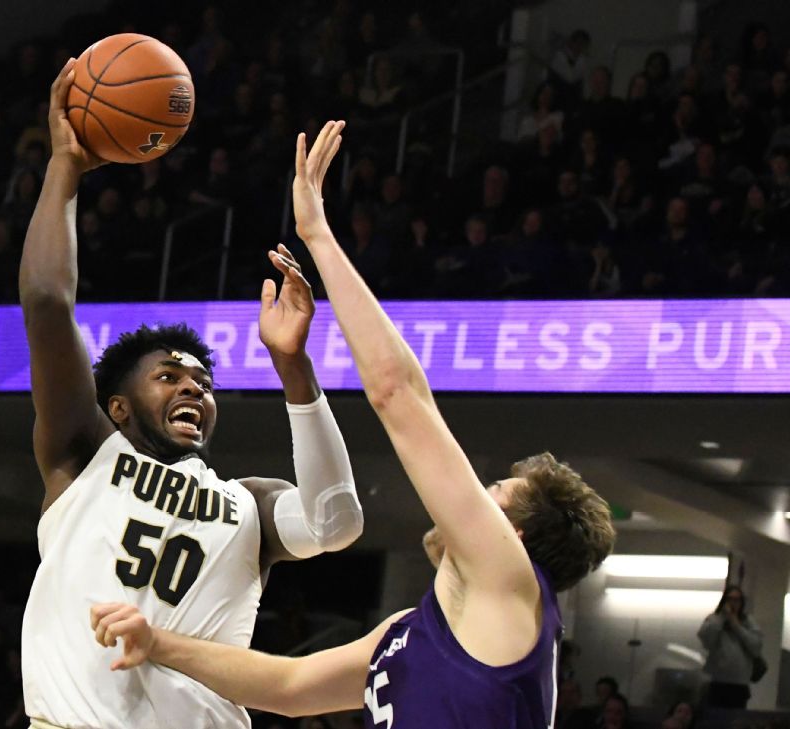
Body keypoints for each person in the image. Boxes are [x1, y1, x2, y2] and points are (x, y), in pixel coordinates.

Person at [90, 121, 616, 728]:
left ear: (515, 539)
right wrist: (159, 643)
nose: (470, 498)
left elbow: (398, 393)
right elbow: (288, 686)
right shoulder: (412, 632)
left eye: (492, 496)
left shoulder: (508, 582)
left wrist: (316, 231)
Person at [19, 63, 364, 729]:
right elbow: (45, 299)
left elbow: (336, 524)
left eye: (203, 382)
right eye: (169, 375)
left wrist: (293, 367)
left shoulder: (248, 503)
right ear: (116, 407)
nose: (193, 387)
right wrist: (65, 164)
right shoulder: (84, 453)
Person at [698, 585, 763, 709]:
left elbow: (756, 647)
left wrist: (736, 625)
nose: (733, 603)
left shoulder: (748, 621)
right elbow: (706, 640)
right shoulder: (714, 619)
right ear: (724, 600)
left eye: (737, 600)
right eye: (730, 599)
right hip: (718, 681)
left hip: (740, 684)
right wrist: (722, 618)